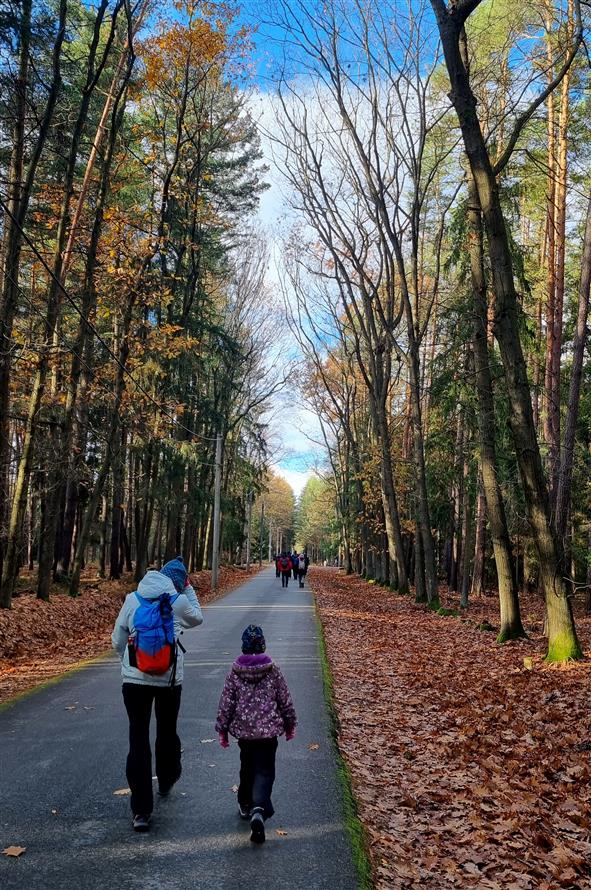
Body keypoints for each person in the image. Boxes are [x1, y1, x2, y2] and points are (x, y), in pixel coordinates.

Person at [111, 556, 203, 832]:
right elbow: (197, 618)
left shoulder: (133, 598)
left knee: (137, 738)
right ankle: (166, 778)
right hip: (169, 681)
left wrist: (128, 663)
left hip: (134, 681)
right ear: (178, 581)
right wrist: (186, 588)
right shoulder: (177, 601)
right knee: (166, 730)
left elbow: (117, 639)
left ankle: (141, 811)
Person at [215, 625, 297, 844]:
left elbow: (226, 703)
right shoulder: (273, 670)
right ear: (263, 645)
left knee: (247, 767)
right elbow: (285, 700)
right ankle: (259, 808)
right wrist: (290, 724)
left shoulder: (235, 672)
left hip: (245, 733)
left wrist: (222, 728)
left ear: (243, 647)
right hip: (269, 732)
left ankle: (245, 803)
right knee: (265, 771)